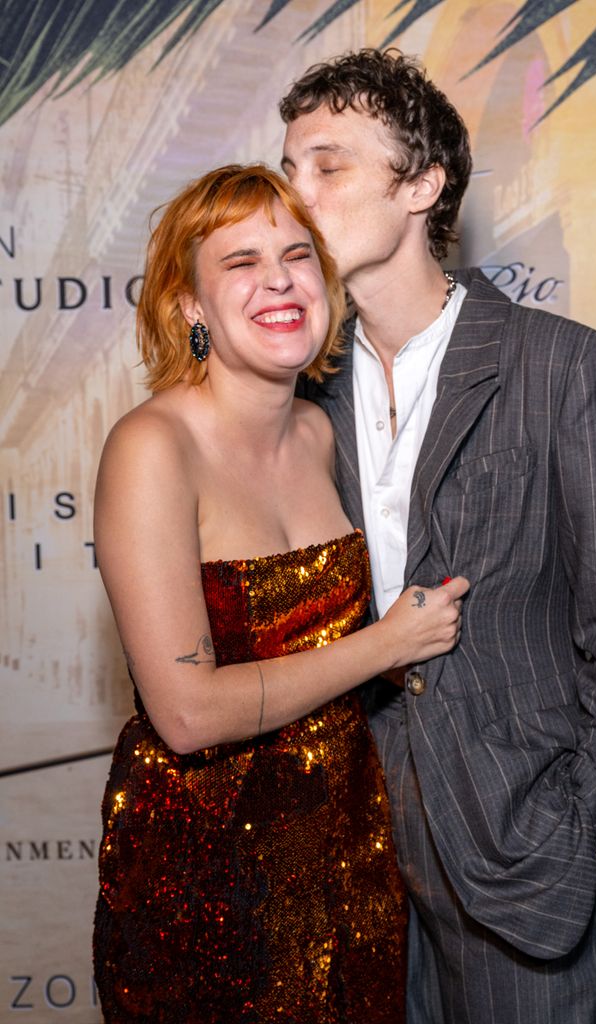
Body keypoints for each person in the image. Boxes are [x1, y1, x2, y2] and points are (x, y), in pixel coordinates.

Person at [280, 49, 596, 1024]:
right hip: (350, 855)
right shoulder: (298, 395)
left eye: (326, 165)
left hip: (523, 850)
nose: (293, 195)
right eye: (287, 168)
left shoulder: (560, 365)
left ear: (421, 183)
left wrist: (583, 829)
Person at [91, 163, 467, 1023]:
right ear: (188, 305)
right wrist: (386, 645)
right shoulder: (152, 447)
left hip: (348, 845)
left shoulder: (317, 430)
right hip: (207, 870)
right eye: (240, 262)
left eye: (297, 255)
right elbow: (185, 714)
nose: (278, 280)